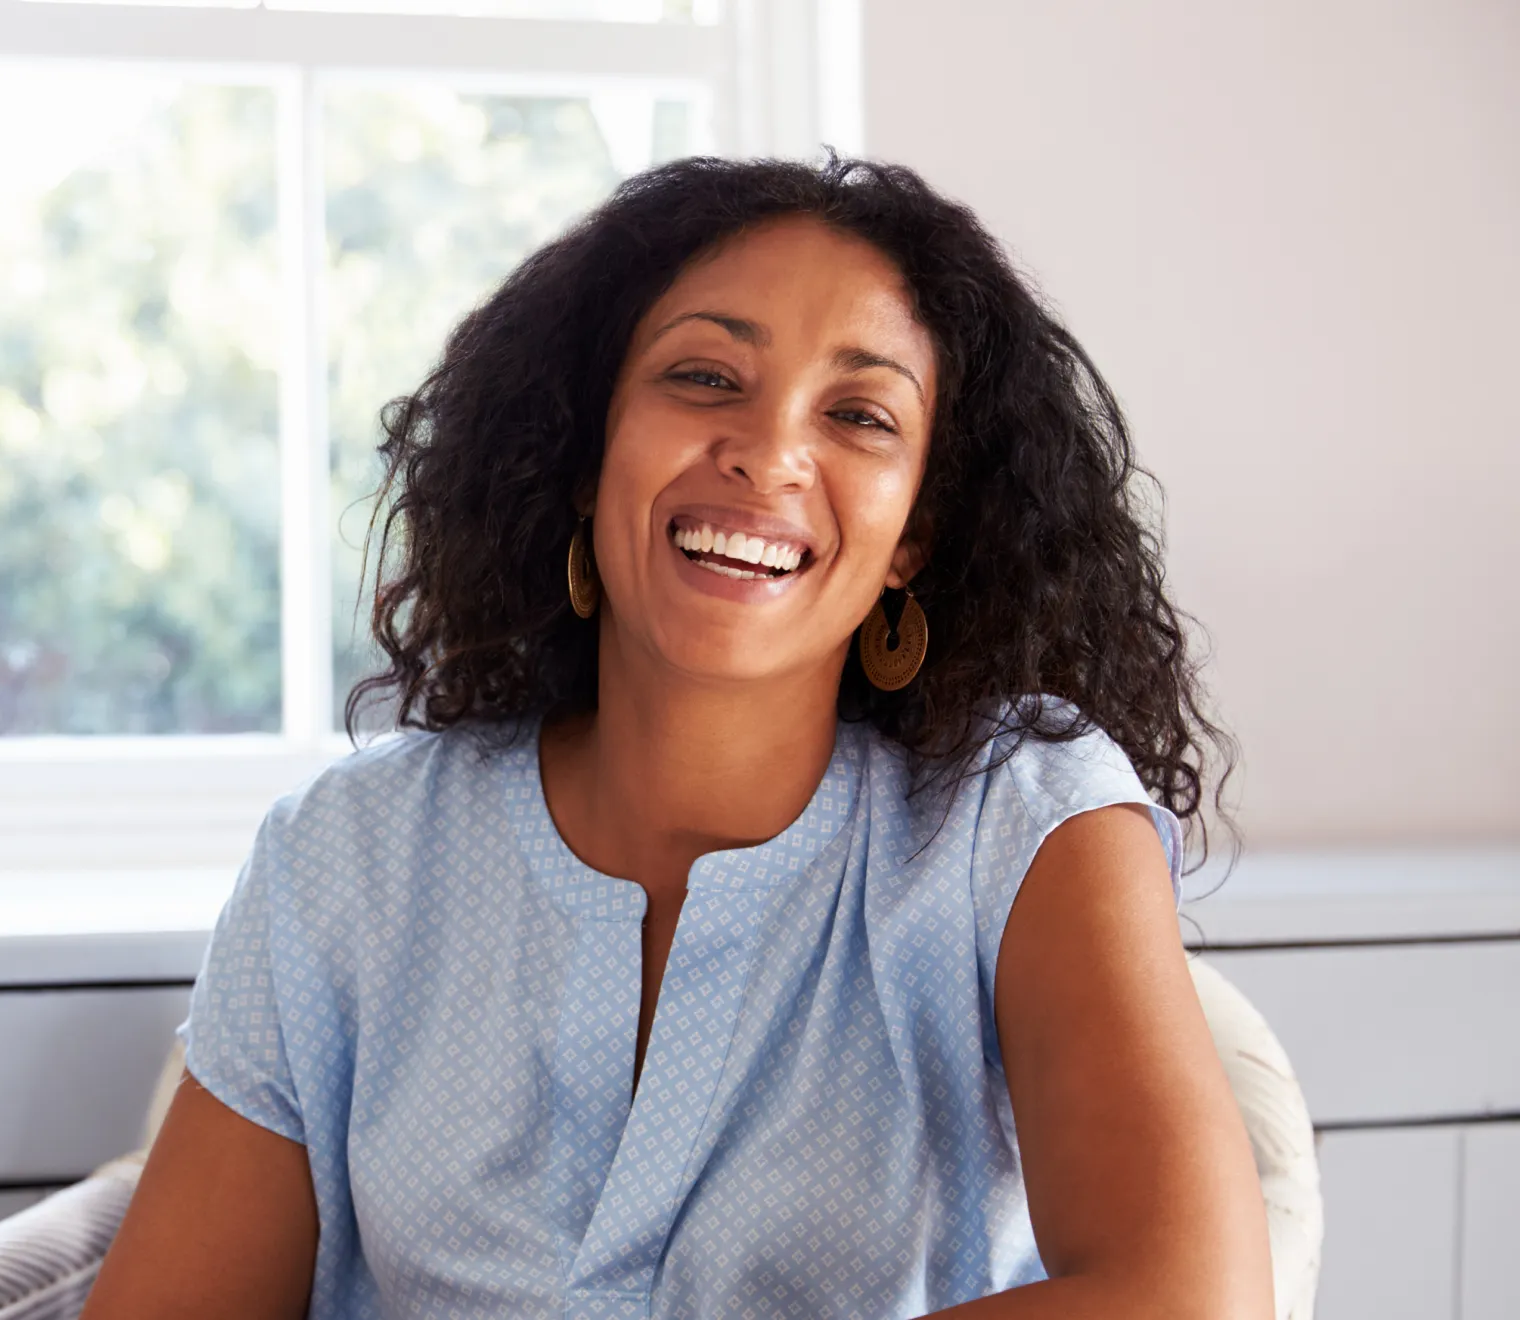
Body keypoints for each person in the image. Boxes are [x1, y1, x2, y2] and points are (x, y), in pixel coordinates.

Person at [80, 155, 1272, 1320]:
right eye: (704, 378)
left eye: (859, 414)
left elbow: (1183, 1300)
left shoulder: (1022, 822)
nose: (768, 453)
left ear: (913, 533)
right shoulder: (345, 857)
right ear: (583, 453)